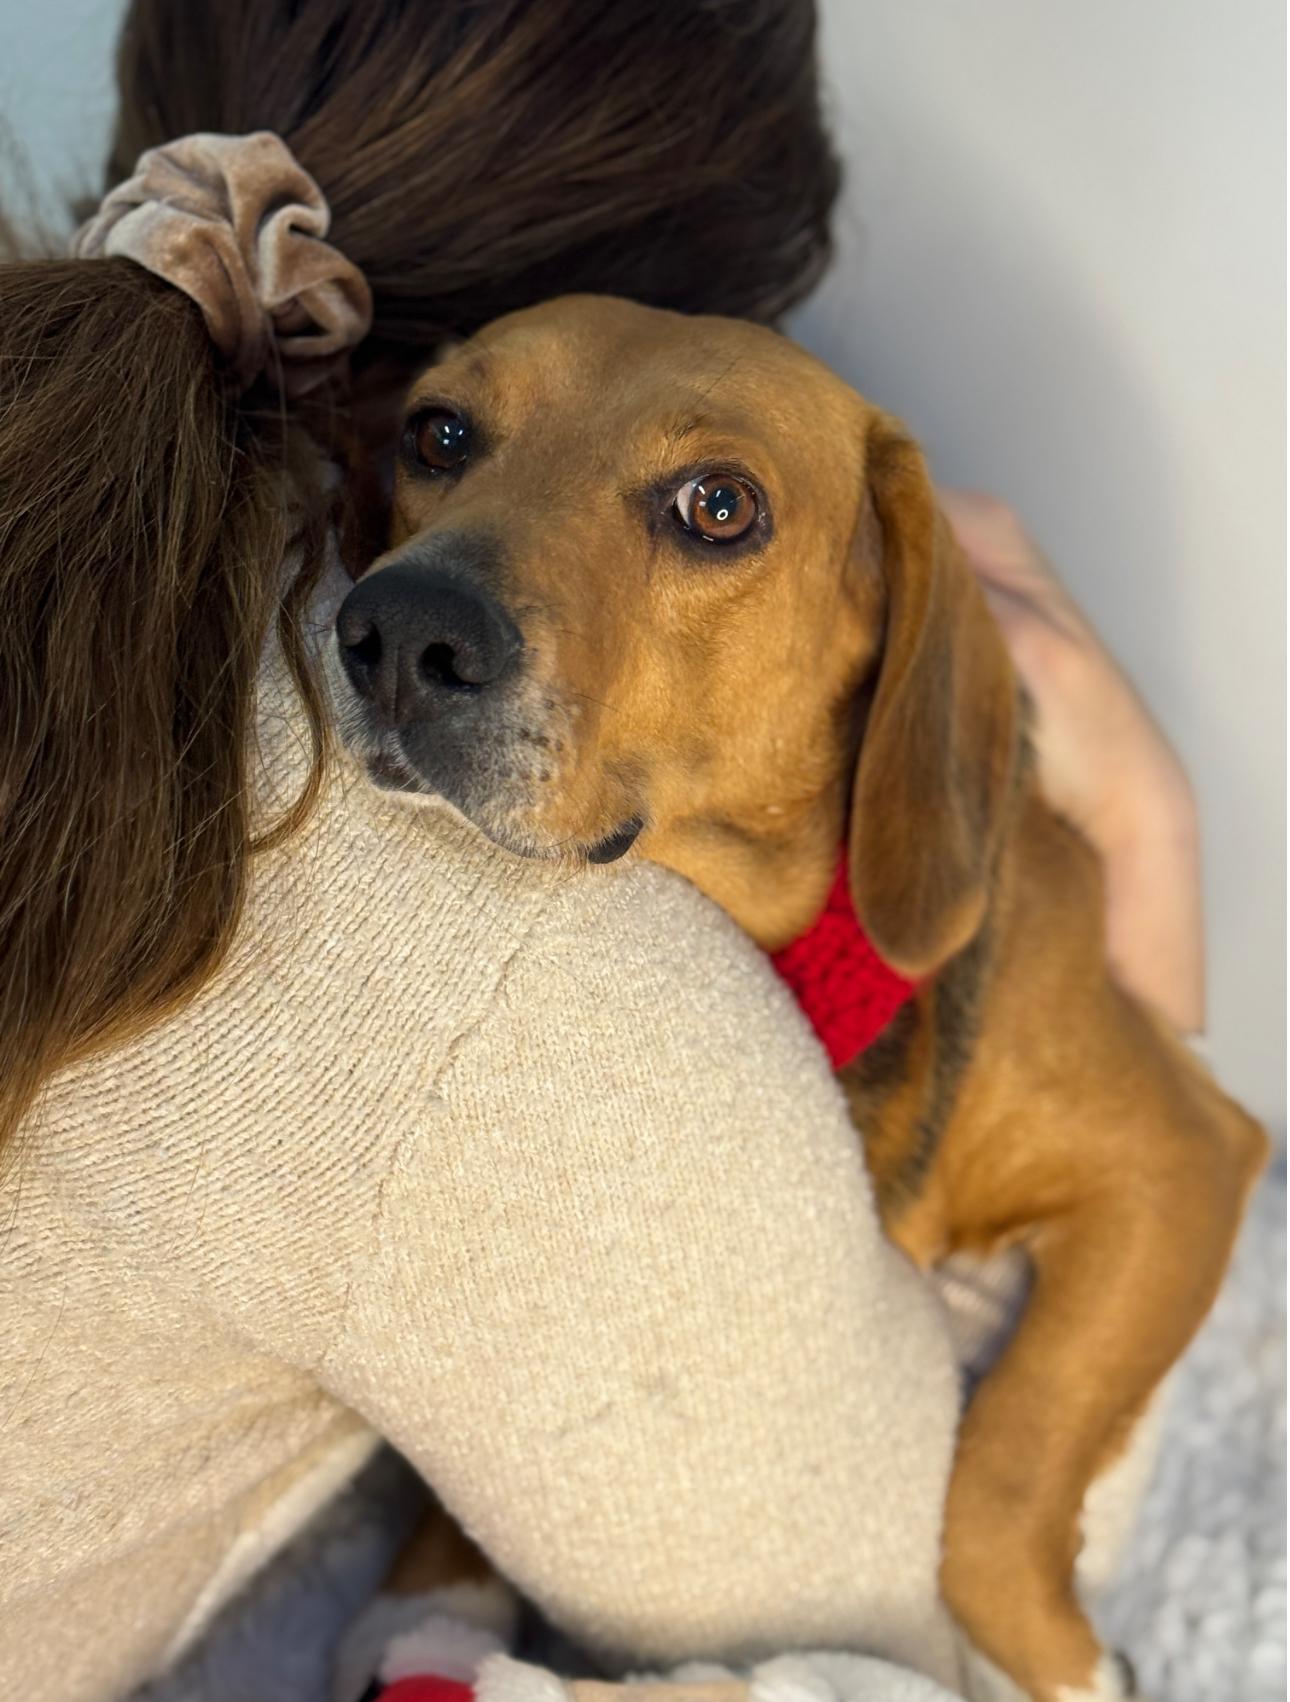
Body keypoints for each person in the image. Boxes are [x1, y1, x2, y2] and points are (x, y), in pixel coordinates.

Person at [0, 2, 1201, 1699]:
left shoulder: (53, 481)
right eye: (449, 439)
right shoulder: (524, 1011)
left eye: (704, 508)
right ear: (738, 271)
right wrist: (1151, 859)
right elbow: (896, 1620)